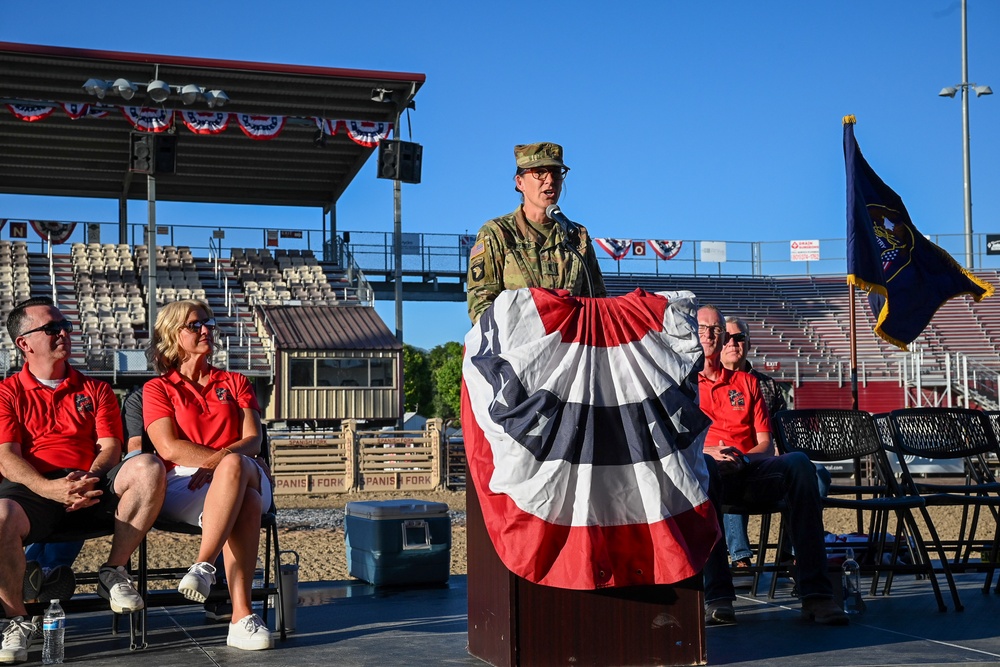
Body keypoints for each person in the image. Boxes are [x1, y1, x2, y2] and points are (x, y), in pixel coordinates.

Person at [0, 297, 165, 664]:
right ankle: (17, 620)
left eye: (65, 327)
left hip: (88, 482)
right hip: (34, 489)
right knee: (1, 516)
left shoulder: (97, 389)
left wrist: (87, 479)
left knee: (148, 467)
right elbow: (7, 458)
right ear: (24, 343)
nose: (64, 333)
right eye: (51, 328)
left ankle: (113, 569)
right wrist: (50, 489)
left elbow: (111, 447)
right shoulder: (7, 392)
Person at [696, 304, 847, 626]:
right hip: (703, 472)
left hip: (748, 469)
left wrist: (742, 458)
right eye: (703, 329)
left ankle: (816, 594)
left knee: (800, 464)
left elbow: (766, 443)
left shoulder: (749, 384)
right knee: (703, 469)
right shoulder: (680, 383)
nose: (711, 335)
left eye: (717, 329)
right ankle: (719, 597)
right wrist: (711, 453)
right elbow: (673, 441)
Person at [143, 299, 274, 651]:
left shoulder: (235, 381)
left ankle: (203, 566)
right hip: (185, 480)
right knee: (246, 500)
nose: (206, 330)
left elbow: (254, 439)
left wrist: (219, 461)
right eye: (196, 325)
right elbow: (168, 448)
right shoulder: (158, 388)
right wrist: (218, 462)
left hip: (240, 468)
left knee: (237, 468)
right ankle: (241, 617)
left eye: (209, 323)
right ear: (173, 334)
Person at [719, 316, 832, 569]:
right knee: (730, 468)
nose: (733, 343)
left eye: (739, 337)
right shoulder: (709, 384)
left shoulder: (768, 385)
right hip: (731, 458)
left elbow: (783, 434)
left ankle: (789, 554)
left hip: (767, 458)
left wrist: (780, 450)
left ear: (748, 343)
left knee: (818, 475)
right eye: (727, 338)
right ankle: (740, 557)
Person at [122, 385, 231, 623]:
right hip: (174, 478)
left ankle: (217, 581)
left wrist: (235, 462)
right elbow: (136, 448)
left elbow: (243, 438)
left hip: (223, 472)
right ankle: (218, 582)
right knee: (229, 494)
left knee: (233, 493)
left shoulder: (219, 386)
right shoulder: (142, 397)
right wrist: (231, 461)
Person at [466, 141, 606, 323]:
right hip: (517, 347)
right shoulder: (497, 233)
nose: (550, 180)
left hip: (570, 348)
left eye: (556, 173)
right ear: (520, 182)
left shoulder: (576, 236)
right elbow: (481, 305)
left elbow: (598, 301)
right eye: (539, 172)